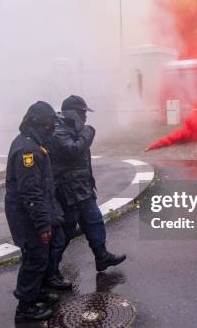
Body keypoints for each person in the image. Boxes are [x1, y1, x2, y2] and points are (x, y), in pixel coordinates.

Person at [49, 95, 126, 276]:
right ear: (71, 112)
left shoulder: (73, 127)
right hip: (67, 191)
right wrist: (88, 132)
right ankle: (50, 272)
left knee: (95, 222)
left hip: (82, 188)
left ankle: (102, 256)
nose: (85, 117)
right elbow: (72, 150)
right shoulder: (58, 129)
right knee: (65, 232)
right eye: (82, 112)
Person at [4, 101, 65, 323]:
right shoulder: (28, 150)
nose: (52, 128)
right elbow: (30, 193)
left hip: (34, 212)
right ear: (39, 123)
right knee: (35, 258)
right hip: (27, 217)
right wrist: (42, 224)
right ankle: (26, 307)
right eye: (50, 123)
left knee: (41, 255)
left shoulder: (33, 143)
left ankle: (37, 292)